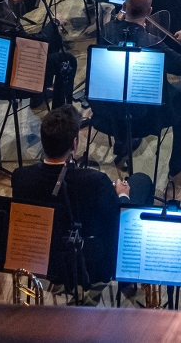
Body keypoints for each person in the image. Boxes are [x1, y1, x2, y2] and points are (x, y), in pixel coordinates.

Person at [10, 105, 153, 293]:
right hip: (91, 264)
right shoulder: (96, 181)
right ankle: (126, 275)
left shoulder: (20, 177)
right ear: (74, 144)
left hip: (49, 261)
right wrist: (122, 195)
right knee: (141, 181)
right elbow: (116, 221)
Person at [96, 0, 181, 176]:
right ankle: (178, 158)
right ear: (150, 11)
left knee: (122, 86)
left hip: (107, 115)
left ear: (123, 7)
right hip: (148, 119)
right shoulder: (153, 44)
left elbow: (119, 29)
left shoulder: (106, 33)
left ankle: (121, 141)